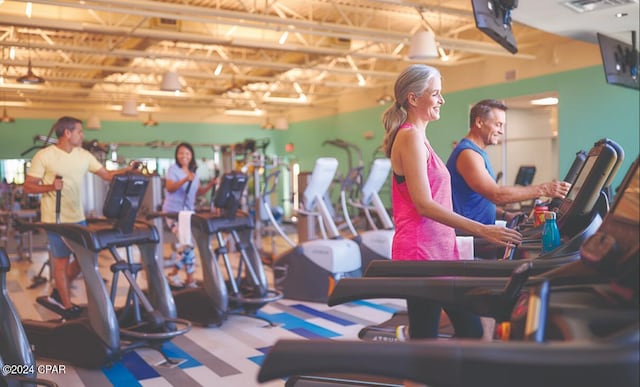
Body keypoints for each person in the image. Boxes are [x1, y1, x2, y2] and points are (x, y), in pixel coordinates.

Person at [381, 64, 522, 340]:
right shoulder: (409, 136)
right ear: (413, 98)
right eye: (436, 94)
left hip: (438, 251)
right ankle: (420, 376)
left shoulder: (419, 136)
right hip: (422, 252)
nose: (441, 100)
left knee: (466, 329)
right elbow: (423, 204)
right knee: (432, 333)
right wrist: (483, 229)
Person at [23, 116, 136, 318]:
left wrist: (127, 170)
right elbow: (28, 186)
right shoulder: (45, 155)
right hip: (55, 220)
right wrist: (50, 186)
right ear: (67, 133)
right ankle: (66, 304)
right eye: (79, 132)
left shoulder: (83, 155)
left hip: (77, 216)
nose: (82, 135)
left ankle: (60, 289)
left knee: (86, 258)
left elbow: (107, 175)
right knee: (61, 261)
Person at [447, 99, 571, 225]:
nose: (502, 131)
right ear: (479, 122)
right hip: (471, 235)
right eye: (498, 125)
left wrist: (505, 214)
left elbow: (477, 200)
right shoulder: (468, 154)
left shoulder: (477, 153)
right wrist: (544, 189)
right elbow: (496, 195)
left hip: (482, 230)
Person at [162, 142, 216, 288]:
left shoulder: (194, 172)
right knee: (188, 244)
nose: (184, 156)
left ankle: (174, 274)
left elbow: (197, 192)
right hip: (173, 213)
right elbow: (170, 187)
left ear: (191, 155)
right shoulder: (173, 169)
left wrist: (211, 185)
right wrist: (185, 179)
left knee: (186, 245)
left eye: (187, 153)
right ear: (177, 155)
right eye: (181, 153)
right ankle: (190, 278)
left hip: (187, 214)